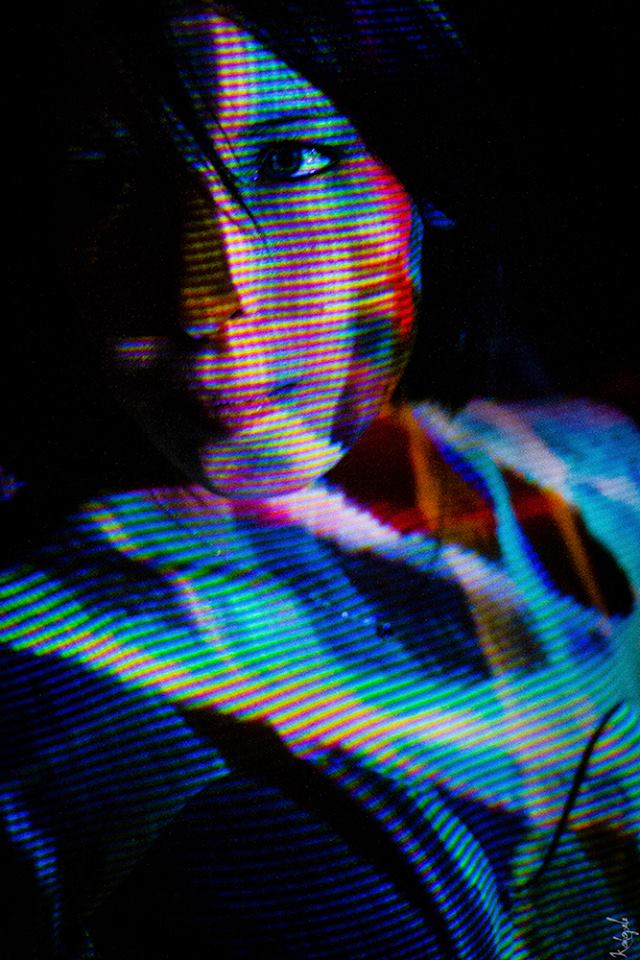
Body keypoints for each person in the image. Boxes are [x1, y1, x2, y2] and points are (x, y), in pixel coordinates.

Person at [1, 2, 639, 958]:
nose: (208, 298)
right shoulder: (55, 667)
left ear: (423, 181)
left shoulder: (589, 473)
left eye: (290, 162)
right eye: (111, 181)